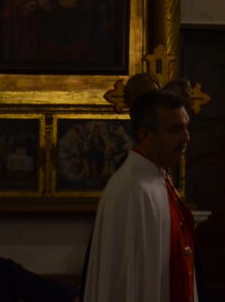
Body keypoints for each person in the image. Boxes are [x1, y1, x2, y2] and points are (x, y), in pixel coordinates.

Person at [84, 88, 196, 302]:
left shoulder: (158, 177)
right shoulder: (131, 189)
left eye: (186, 128)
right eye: (175, 130)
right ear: (145, 135)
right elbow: (126, 282)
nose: (186, 138)